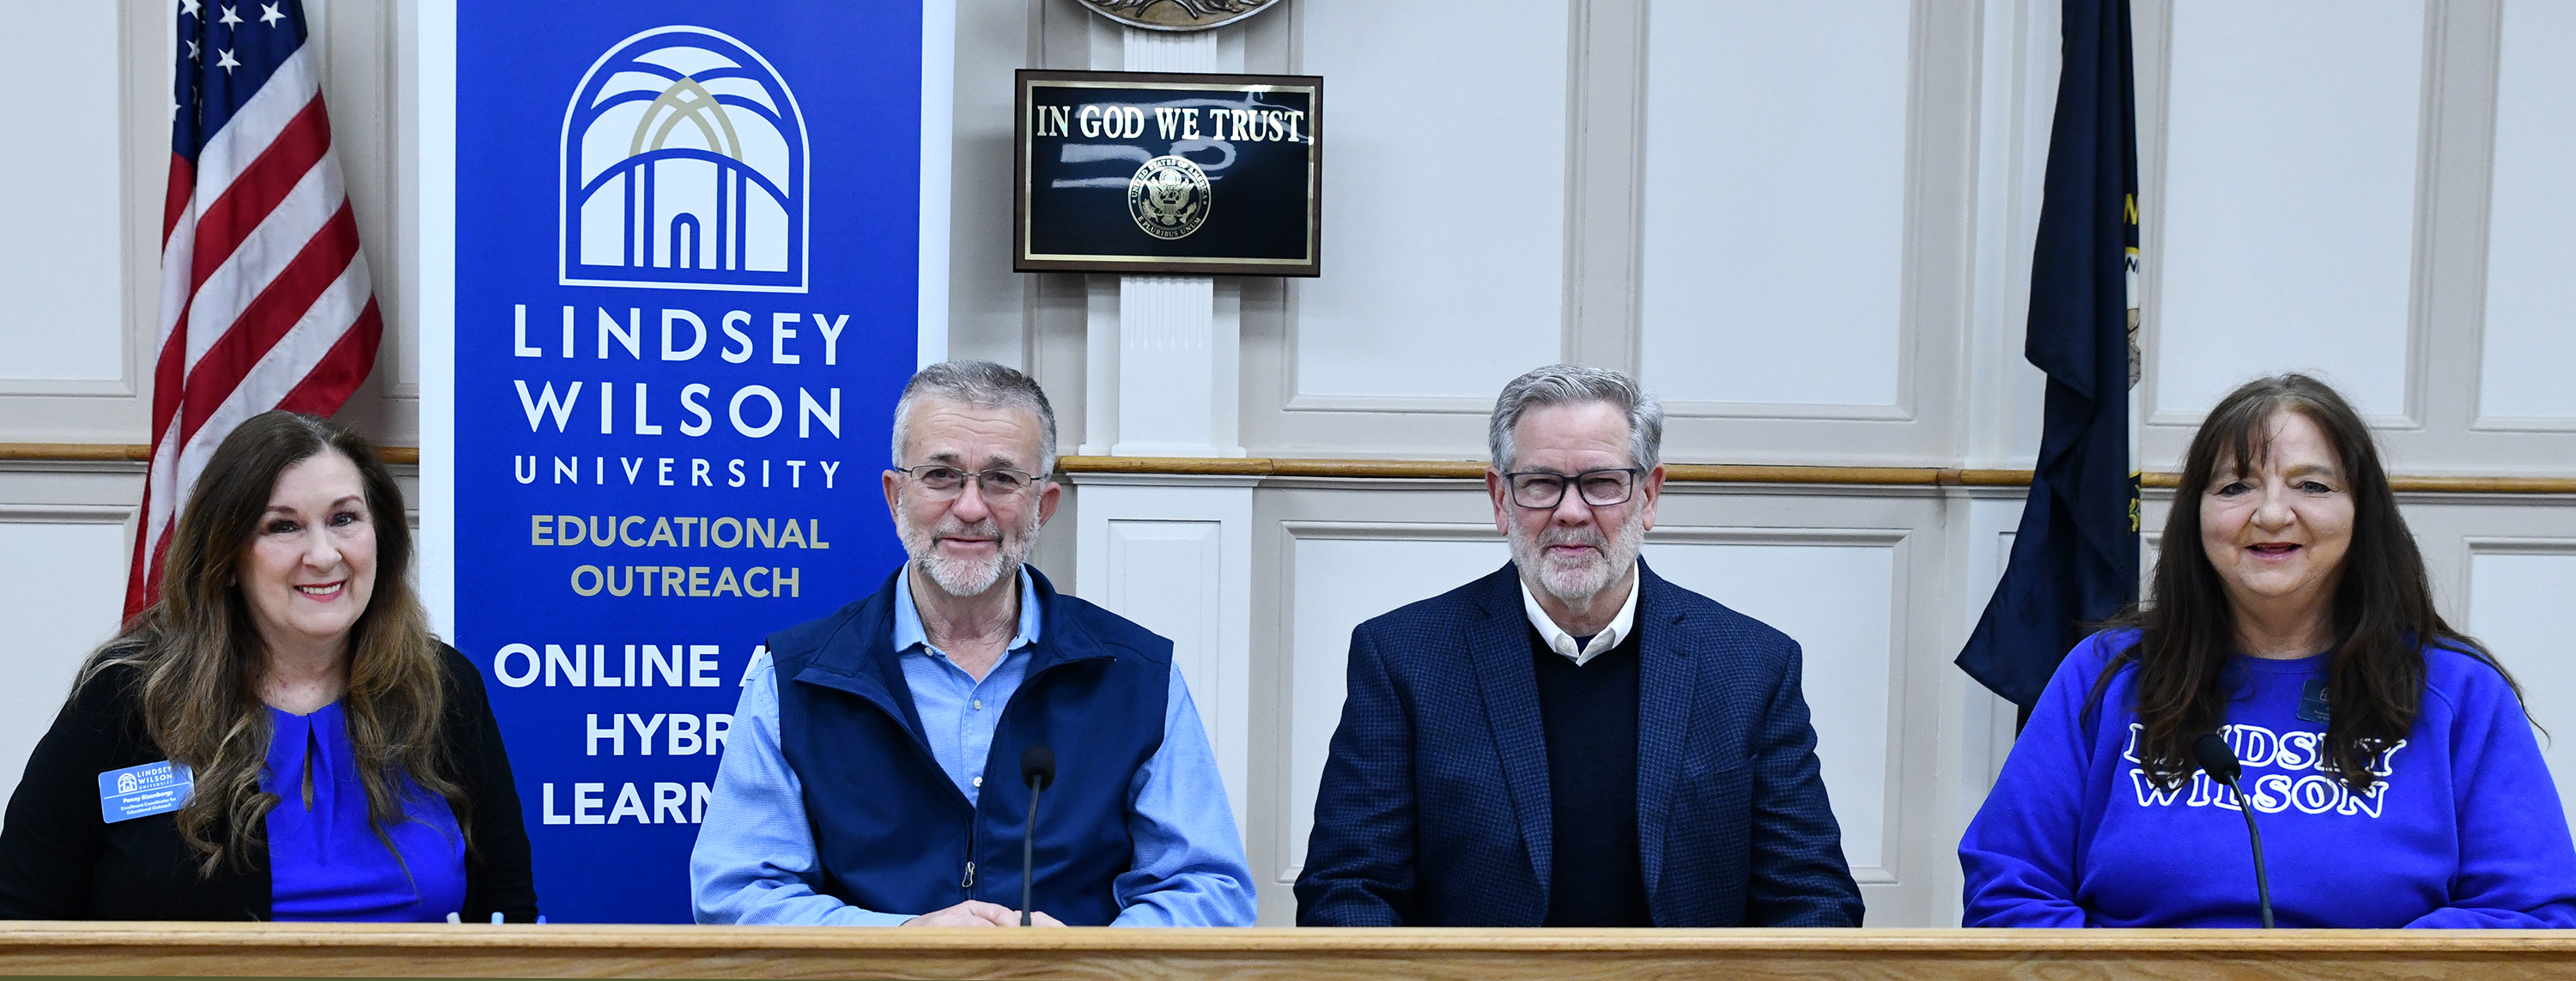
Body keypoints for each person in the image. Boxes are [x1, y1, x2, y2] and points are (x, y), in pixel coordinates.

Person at [1960, 373, 2576, 928]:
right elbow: (2009, 893)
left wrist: (2373, 975)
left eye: (2312, 485)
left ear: (2361, 513)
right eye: (2236, 486)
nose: (2273, 513)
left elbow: (2531, 910)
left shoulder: (2458, 690)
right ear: (2197, 515)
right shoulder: (2107, 673)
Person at [1295, 365, 1863, 927]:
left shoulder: (1752, 666)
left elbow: (1813, 899)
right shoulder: (1402, 659)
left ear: (1649, 496)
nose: (1570, 511)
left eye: (1602, 483)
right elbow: (1347, 890)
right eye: (1540, 483)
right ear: (1500, 499)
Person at [691, 360, 1255, 927]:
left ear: (1044, 505)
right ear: (895, 496)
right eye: (941, 475)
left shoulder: (1136, 676)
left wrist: (1079, 958)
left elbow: (1210, 891)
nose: (969, 507)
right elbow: (737, 893)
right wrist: (906, 940)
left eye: (1001, 479)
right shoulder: (796, 679)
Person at [0, 412, 537, 921]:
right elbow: (20, 912)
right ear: (227, 558)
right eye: (283, 527)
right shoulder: (129, 696)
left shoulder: (441, 687)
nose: (324, 555)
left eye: (344, 519)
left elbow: (508, 916)